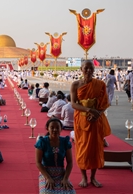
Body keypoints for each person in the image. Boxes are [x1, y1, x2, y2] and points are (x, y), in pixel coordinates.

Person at [70, 60, 111, 188]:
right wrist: (88, 110)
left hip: (95, 120)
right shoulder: (75, 85)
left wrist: (97, 113)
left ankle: (93, 177)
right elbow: (73, 103)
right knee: (82, 149)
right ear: (81, 69)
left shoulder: (100, 84)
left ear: (94, 70)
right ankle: (84, 177)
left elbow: (105, 103)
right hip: (81, 120)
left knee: (95, 149)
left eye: (91, 68)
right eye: (86, 68)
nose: (88, 71)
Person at [35, 118, 75, 194]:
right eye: (52, 127)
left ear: (61, 129)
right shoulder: (42, 142)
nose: (55, 130)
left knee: (70, 192)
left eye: (57, 127)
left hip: (61, 174)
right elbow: (38, 162)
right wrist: (48, 178)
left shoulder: (65, 142)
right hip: (46, 173)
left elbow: (70, 162)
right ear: (47, 128)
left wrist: (65, 178)